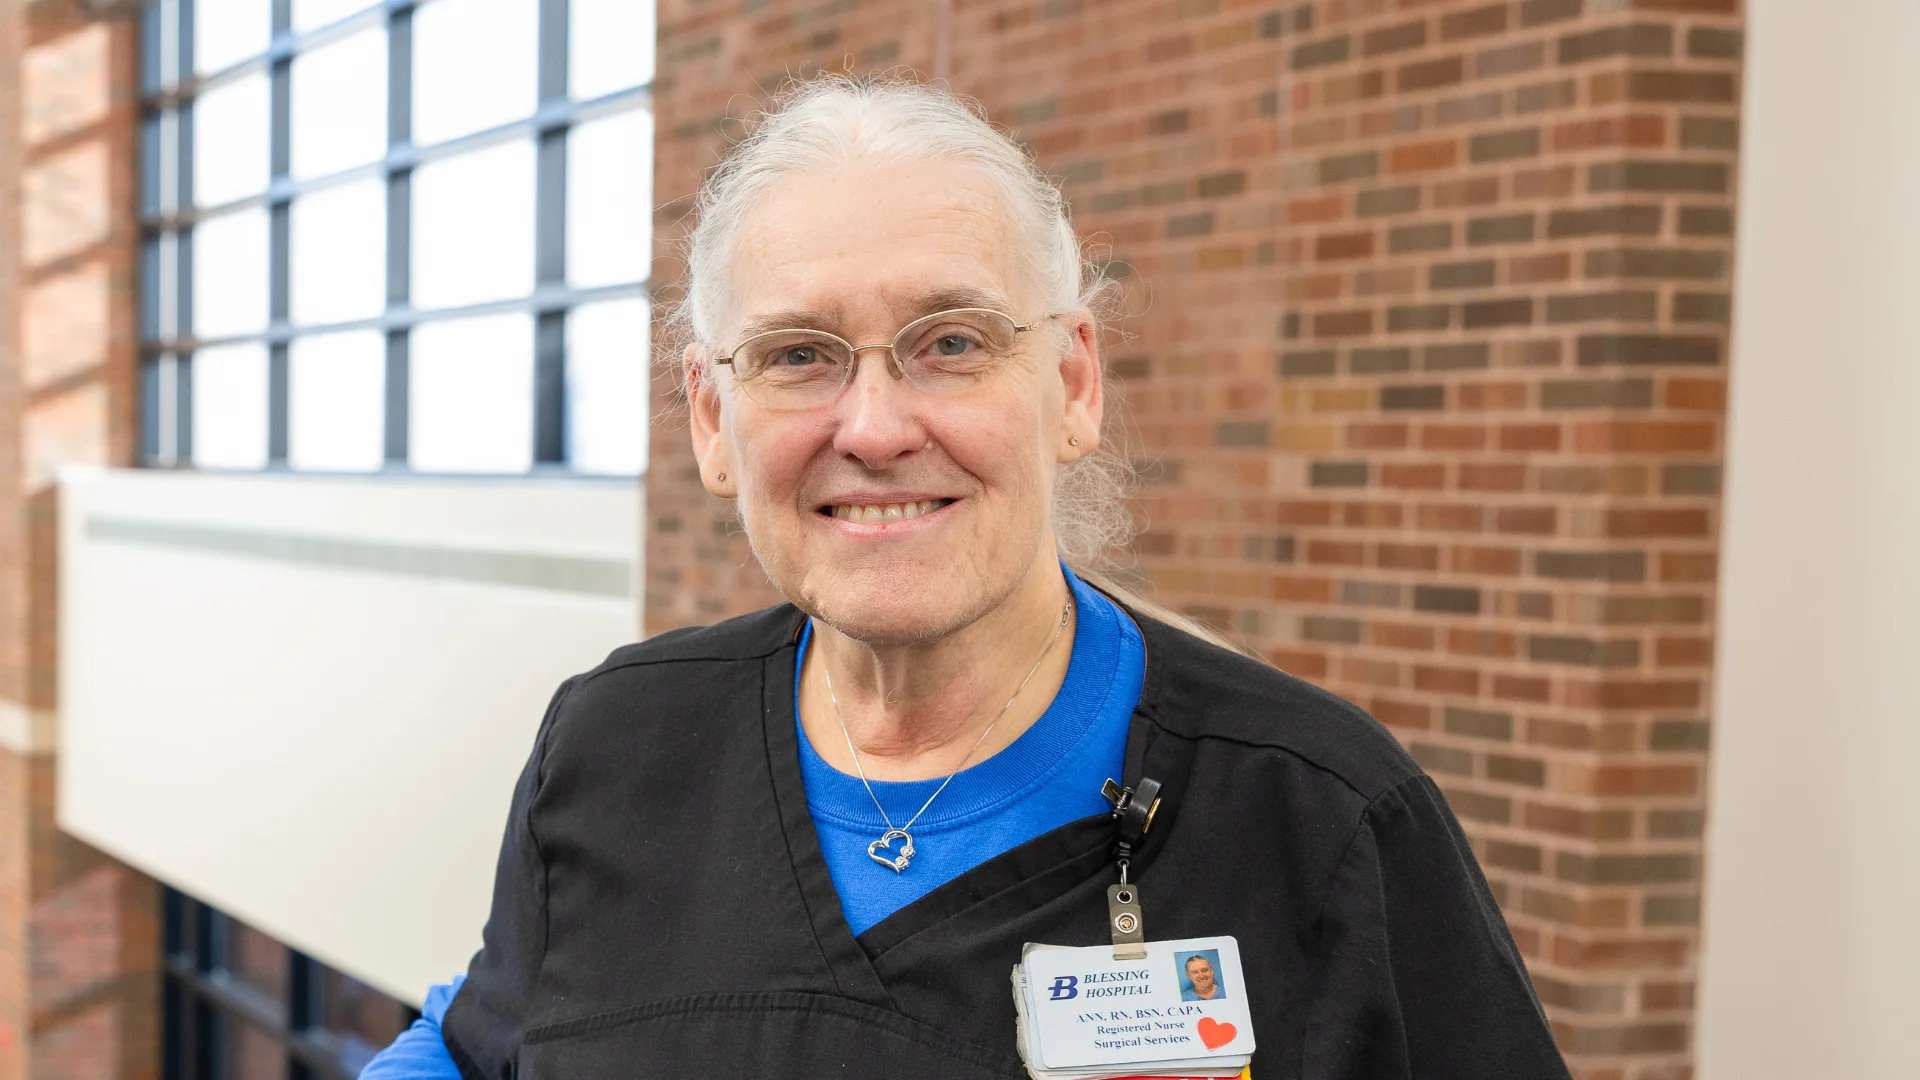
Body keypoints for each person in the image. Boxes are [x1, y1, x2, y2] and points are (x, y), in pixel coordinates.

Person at [362, 75, 1572, 1079]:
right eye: (798, 354)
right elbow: (480, 1046)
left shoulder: (1322, 824)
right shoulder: (615, 745)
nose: (876, 425)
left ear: (1073, 382)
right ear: (711, 418)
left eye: (951, 342)